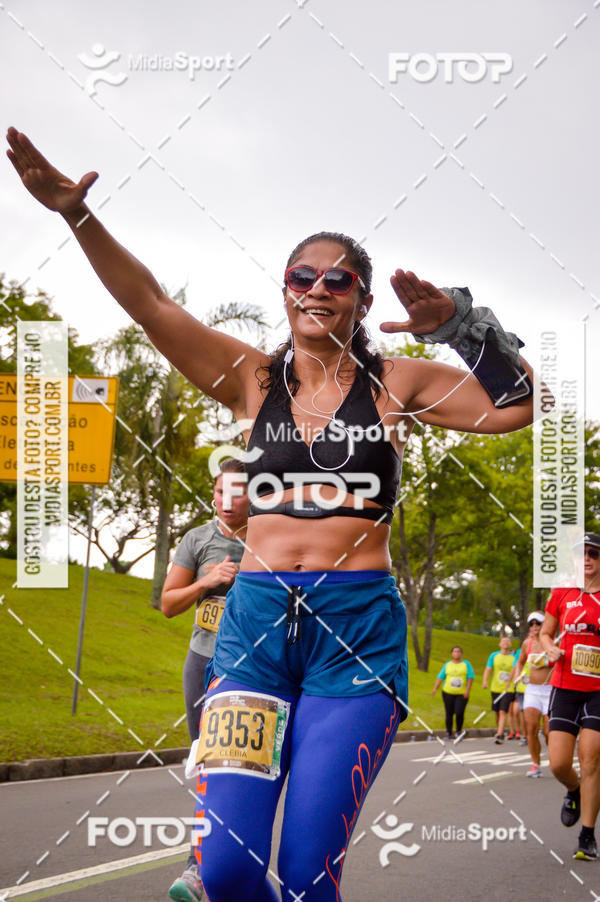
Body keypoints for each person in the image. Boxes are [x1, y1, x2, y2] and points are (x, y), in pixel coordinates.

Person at [6, 127, 536, 901]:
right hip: (253, 630)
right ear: (284, 289)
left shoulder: (398, 383)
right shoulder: (252, 381)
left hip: (353, 639)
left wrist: (461, 325)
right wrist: (76, 216)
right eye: (302, 275)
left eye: (340, 279)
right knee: (222, 872)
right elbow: (150, 305)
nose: (319, 288)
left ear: (359, 300)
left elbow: (517, 409)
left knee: (306, 873)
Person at [161, 459, 248, 902]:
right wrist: (208, 581)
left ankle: (236, 859)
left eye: (236, 493)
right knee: (206, 767)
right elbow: (169, 603)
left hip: (251, 672)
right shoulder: (198, 539)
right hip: (202, 662)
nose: (226, 502)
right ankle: (199, 867)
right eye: (219, 493)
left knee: (247, 769)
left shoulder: (270, 539)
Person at [540, 532, 600, 861]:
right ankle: (573, 789)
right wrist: (550, 648)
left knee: (591, 756)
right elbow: (547, 633)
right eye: (582, 553)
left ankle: (587, 835)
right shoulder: (562, 592)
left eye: (594, 553)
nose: (588, 558)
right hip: (565, 686)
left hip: (598, 691)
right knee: (559, 763)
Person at [512, 611, 553, 777]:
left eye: (538, 623)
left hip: (551, 690)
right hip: (533, 690)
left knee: (549, 732)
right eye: (532, 624)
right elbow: (520, 662)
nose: (535, 627)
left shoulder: (553, 642)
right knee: (531, 728)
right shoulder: (527, 644)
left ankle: (558, 760)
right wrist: (517, 674)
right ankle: (535, 764)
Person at [431, 646, 474, 740]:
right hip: (448, 692)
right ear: (452, 654)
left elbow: (470, 677)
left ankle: (458, 731)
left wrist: (467, 690)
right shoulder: (447, 664)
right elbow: (441, 677)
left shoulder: (466, 664)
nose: (456, 653)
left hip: (461, 693)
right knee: (449, 713)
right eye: (454, 651)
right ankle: (449, 732)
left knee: (459, 712)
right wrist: (435, 688)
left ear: (461, 653)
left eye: (458, 651)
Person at [483, 636, 518, 744]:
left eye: (508, 641)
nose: (506, 643)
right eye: (504, 641)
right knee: (497, 712)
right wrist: (485, 680)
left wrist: (514, 682)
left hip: (508, 689)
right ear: (500, 644)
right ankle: (500, 730)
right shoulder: (494, 655)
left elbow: (516, 671)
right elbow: (488, 669)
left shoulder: (514, 657)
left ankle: (500, 734)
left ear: (510, 644)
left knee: (503, 711)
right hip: (495, 687)